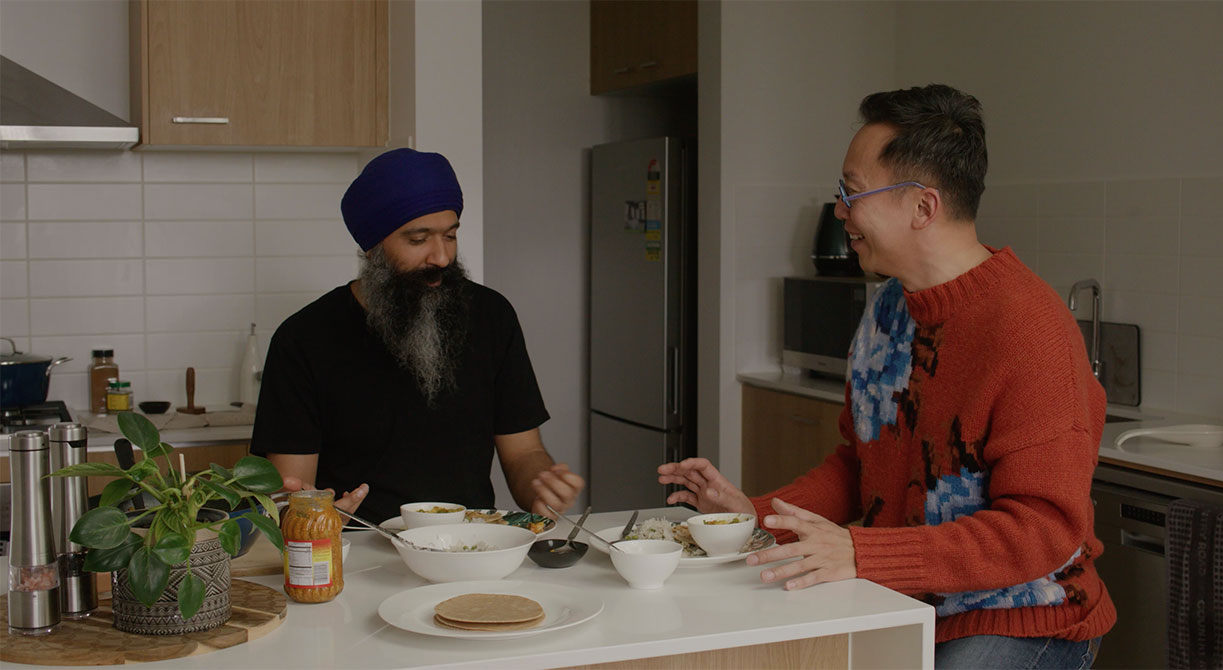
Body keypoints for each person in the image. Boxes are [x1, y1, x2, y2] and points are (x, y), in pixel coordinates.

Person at [658, 85, 1114, 669]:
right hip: (905, 602)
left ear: (922, 207)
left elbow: (1043, 529)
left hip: (1024, 617)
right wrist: (754, 515)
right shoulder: (887, 311)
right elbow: (860, 463)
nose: (841, 211)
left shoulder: (1029, 329)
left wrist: (863, 552)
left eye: (851, 192)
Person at [251, 148, 583, 523]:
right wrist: (314, 517)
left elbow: (523, 453)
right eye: (418, 239)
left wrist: (541, 484)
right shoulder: (303, 339)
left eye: (451, 235)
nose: (441, 257)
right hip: (356, 555)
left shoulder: (492, 316)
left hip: (471, 546)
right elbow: (289, 492)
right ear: (372, 247)